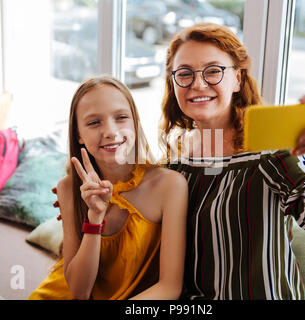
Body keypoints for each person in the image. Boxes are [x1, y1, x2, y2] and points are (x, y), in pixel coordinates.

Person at [159, 23, 305, 300]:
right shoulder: (173, 165)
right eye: (184, 73)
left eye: (213, 70)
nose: (198, 84)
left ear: (237, 78)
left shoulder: (268, 153)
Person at [29, 76, 188, 300]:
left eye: (121, 117)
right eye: (94, 123)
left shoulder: (170, 185)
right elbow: (79, 291)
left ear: (135, 122)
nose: (111, 132)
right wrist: (95, 218)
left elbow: (170, 287)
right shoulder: (68, 189)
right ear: (79, 135)